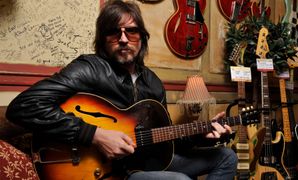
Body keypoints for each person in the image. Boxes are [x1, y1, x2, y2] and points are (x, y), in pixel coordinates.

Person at [5, 0, 237, 179]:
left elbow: (164, 141)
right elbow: (24, 107)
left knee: (226, 157)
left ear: (142, 38)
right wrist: (95, 135)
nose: (124, 39)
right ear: (103, 39)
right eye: (115, 32)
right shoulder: (89, 68)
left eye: (131, 31)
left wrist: (201, 135)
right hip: (109, 171)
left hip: (145, 163)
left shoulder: (153, 83)